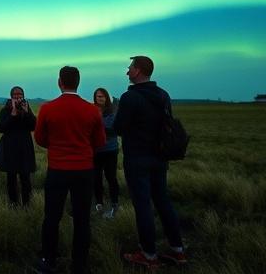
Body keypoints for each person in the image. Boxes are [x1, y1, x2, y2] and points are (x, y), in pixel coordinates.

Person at [114, 56, 187, 268]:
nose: (127, 72)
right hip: (160, 157)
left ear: (137, 71)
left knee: (143, 206)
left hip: (137, 158)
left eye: (129, 68)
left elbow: (119, 128)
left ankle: (148, 255)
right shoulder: (163, 95)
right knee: (163, 202)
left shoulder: (129, 97)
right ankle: (178, 251)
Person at [33, 66, 105, 274]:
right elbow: (99, 141)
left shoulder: (48, 108)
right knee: (82, 218)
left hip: (57, 169)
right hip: (84, 170)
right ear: (78, 82)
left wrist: (56, 146)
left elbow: (39, 138)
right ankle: (79, 264)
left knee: (52, 216)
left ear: (59, 82)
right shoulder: (92, 110)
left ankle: (48, 260)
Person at [0, 86, 36, 205]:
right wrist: (13, 114)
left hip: (24, 147)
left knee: (25, 177)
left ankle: (27, 204)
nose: (18, 97)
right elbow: (0, 128)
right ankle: (13, 203)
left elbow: (33, 126)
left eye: (20, 94)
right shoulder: (5, 110)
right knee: (11, 178)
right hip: (10, 147)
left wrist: (27, 113)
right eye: (15, 94)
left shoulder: (27, 109)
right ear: (11, 96)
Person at [92, 87, 120, 219]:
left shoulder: (112, 111)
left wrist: (98, 126)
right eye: (98, 96)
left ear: (106, 97)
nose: (100, 98)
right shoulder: (92, 110)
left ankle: (115, 203)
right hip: (96, 150)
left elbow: (112, 129)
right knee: (96, 177)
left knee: (111, 177)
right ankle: (99, 203)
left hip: (110, 150)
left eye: (102, 96)